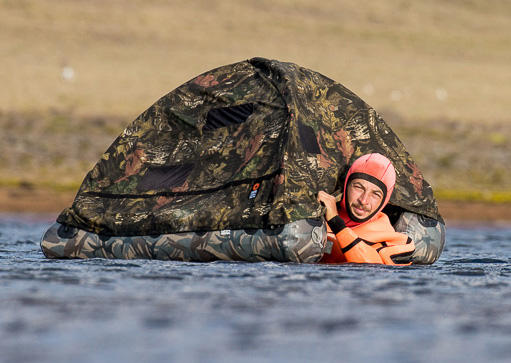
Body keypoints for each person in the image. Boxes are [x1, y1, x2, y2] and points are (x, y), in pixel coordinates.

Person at [318, 153, 415, 265]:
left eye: (375, 194)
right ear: (346, 185)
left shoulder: (399, 243)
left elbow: (368, 267)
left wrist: (336, 222)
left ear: (385, 199)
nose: (364, 200)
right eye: (358, 187)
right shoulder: (317, 218)